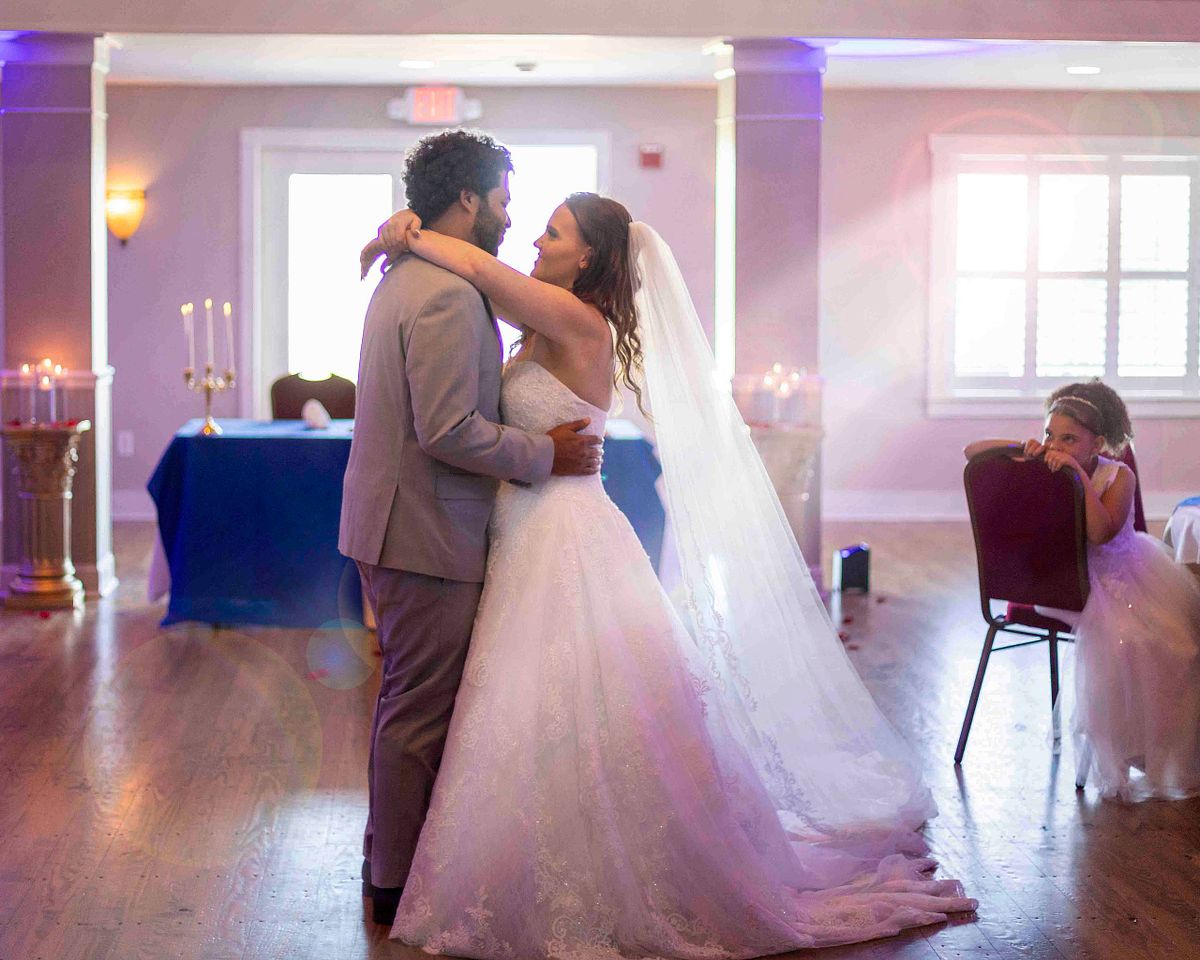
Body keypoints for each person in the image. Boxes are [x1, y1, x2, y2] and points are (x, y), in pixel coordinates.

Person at [357, 188, 976, 957]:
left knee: (559, 699)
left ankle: (582, 866)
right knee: (531, 702)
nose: (536, 243)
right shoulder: (548, 315)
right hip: (524, 525)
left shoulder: (578, 321)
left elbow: (480, 268)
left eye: (553, 233)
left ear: (589, 256)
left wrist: (408, 232)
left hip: (559, 527)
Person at [338, 130, 603, 926]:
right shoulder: (450, 295)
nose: (509, 215)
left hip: (395, 523)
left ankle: (387, 856)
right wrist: (543, 455)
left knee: (404, 701)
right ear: (467, 200)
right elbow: (449, 430)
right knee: (419, 711)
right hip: (422, 529)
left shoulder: (406, 271)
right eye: (503, 199)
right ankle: (395, 882)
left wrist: (400, 227)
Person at [965, 380, 1200, 801]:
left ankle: (1151, 751)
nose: (1057, 445)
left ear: (1100, 445)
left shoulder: (1118, 476)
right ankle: (1121, 746)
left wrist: (1076, 476)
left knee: (1170, 642)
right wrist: (1025, 447)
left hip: (1120, 575)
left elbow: (1099, 534)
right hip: (1061, 582)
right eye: (1051, 434)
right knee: (1126, 638)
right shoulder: (1039, 466)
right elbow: (973, 453)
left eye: (1070, 439)